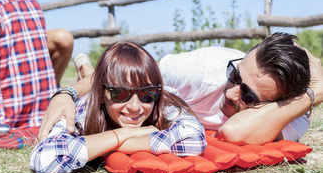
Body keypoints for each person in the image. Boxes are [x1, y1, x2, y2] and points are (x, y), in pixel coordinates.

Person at [38, 32, 323, 145]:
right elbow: (125, 76)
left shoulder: (293, 110)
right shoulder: (201, 69)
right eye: (234, 75)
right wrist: (67, 92)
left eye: (248, 96)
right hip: (127, 99)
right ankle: (85, 66)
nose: (230, 92)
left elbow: (235, 133)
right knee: (105, 83)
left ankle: (85, 64)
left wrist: (316, 93)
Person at [30, 41, 206, 173]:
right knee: (91, 76)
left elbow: (194, 139)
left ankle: (88, 68)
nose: (135, 107)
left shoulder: (162, 98)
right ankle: (85, 67)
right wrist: (123, 134)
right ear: (100, 94)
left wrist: (104, 144)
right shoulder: (84, 108)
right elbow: (44, 158)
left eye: (147, 94)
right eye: (121, 94)